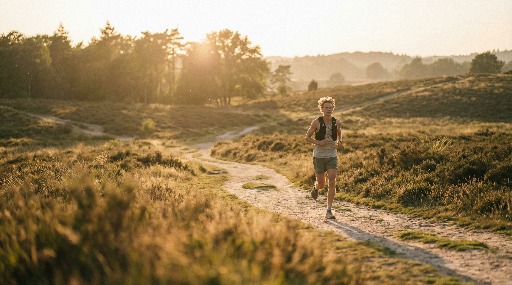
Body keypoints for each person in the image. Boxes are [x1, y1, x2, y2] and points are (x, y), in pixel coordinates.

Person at [304, 96, 342, 219]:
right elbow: (307, 137)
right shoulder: (316, 122)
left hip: (332, 155)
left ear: (333, 108)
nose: (328, 110)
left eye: (330, 108)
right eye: (326, 108)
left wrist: (340, 142)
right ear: (322, 109)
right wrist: (318, 142)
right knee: (321, 183)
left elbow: (340, 133)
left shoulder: (337, 122)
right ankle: (316, 187)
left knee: (332, 180)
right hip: (319, 156)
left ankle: (329, 211)